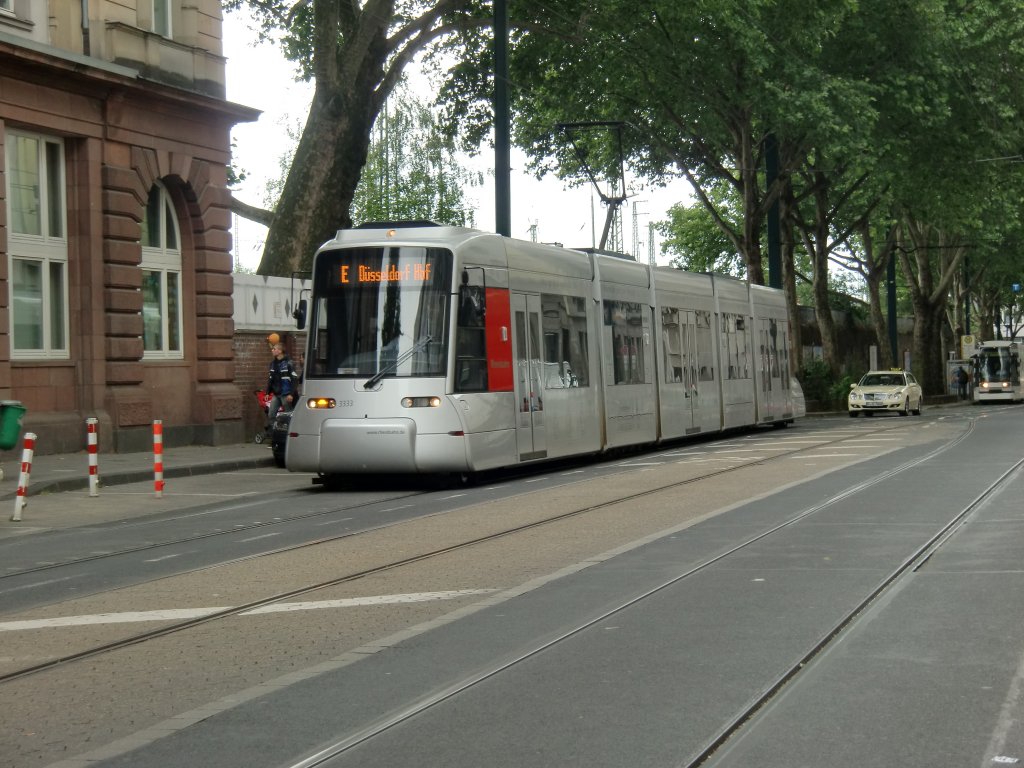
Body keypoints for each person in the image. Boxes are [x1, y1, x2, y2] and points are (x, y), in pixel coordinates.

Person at [265, 338, 297, 435]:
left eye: (274, 349)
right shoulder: (273, 364)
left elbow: (294, 379)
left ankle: (289, 434)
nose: (272, 350)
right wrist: (267, 392)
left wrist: (291, 394)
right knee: (271, 414)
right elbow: (271, 379)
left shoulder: (288, 363)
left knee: (288, 415)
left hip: (285, 394)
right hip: (276, 394)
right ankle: (275, 434)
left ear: (280, 351)